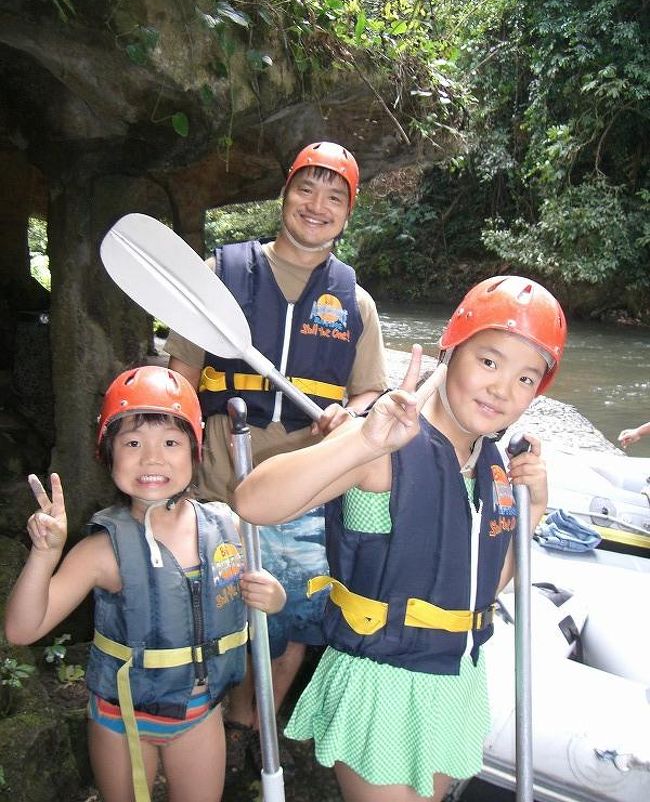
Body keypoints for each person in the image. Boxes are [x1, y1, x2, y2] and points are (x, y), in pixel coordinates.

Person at [234, 275, 568, 802]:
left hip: (454, 680)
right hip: (382, 681)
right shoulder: (385, 438)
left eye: (527, 379)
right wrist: (360, 442)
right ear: (450, 350)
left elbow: (482, 591)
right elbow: (253, 502)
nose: (504, 388)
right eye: (489, 361)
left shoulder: (494, 467)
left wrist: (536, 510)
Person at [166, 140, 388, 770]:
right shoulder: (221, 275)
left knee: (289, 616)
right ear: (284, 194)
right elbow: (181, 377)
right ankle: (194, 729)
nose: (316, 206)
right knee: (210, 611)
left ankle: (249, 724)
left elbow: (369, 395)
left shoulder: (356, 304)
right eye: (305, 189)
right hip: (215, 485)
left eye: (334, 197)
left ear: (347, 213)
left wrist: (357, 415)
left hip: (305, 493)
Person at [4, 366, 286, 802]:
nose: (152, 458)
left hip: (200, 713)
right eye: (133, 443)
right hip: (123, 719)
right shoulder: (102, 552)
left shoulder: (228, 524)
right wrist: (44, 554)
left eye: (171, 443)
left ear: (195, 453)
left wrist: (274, 595)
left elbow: (264, 591)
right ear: (109, 455)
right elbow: (22, 629)